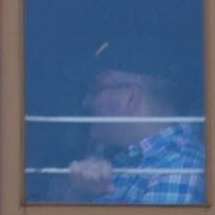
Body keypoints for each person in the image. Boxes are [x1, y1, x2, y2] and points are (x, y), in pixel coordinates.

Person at [62, 60, 204, 204]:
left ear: (130, 99)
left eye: (94, 90)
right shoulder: (120, 158)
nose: (85, 102)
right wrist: (83, 191)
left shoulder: (177, 168)